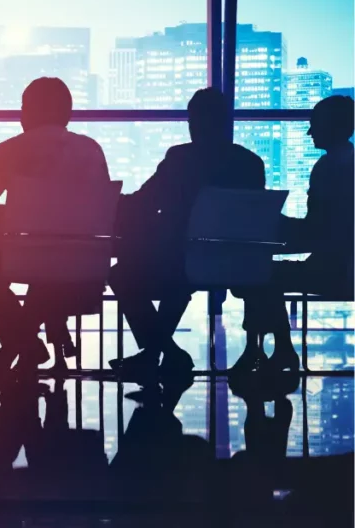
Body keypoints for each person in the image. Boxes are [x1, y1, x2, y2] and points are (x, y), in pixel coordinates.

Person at [109, 88, 266, 381]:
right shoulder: (251, 163)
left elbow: (145, 201)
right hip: (236, 265)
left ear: (194, 122)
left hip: (182, 262)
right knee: (176, 276)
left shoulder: (180, 158)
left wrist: (109, 204)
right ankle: (159, 353)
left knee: (121, 275)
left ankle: (165, 353)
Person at [0, 77, 110, 373]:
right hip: (85, 264)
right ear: (67, 113)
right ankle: (30, 341)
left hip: (28, 259)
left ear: (29, 112)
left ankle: (24, 344)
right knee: (49, 271)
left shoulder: (12, 150)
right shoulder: (91, 150)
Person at [237, 95, 354, 371]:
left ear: (332, 126)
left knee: (261, 274)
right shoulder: (344, 165)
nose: (310, 132)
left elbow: (318, 231)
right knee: (263, 274)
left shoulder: (328, 169)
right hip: (343, 267)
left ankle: (273, 349)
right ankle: (269, 351)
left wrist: (272, 223)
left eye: (315, 124)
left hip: (335, 271)